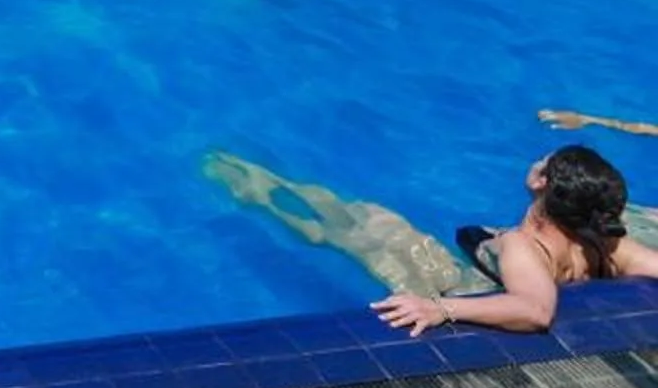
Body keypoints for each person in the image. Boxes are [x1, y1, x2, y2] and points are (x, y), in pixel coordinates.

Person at [206, 146, 658, 335]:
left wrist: (440, 309)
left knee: (374, 228)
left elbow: (536, 310)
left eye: (543, 161)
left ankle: (264, 193)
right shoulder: (606, 242)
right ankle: (278, 193)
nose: (536, 160)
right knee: (370, 223)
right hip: (493, 268)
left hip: (460, 284)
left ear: (542, 181)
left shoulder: (523, 247)